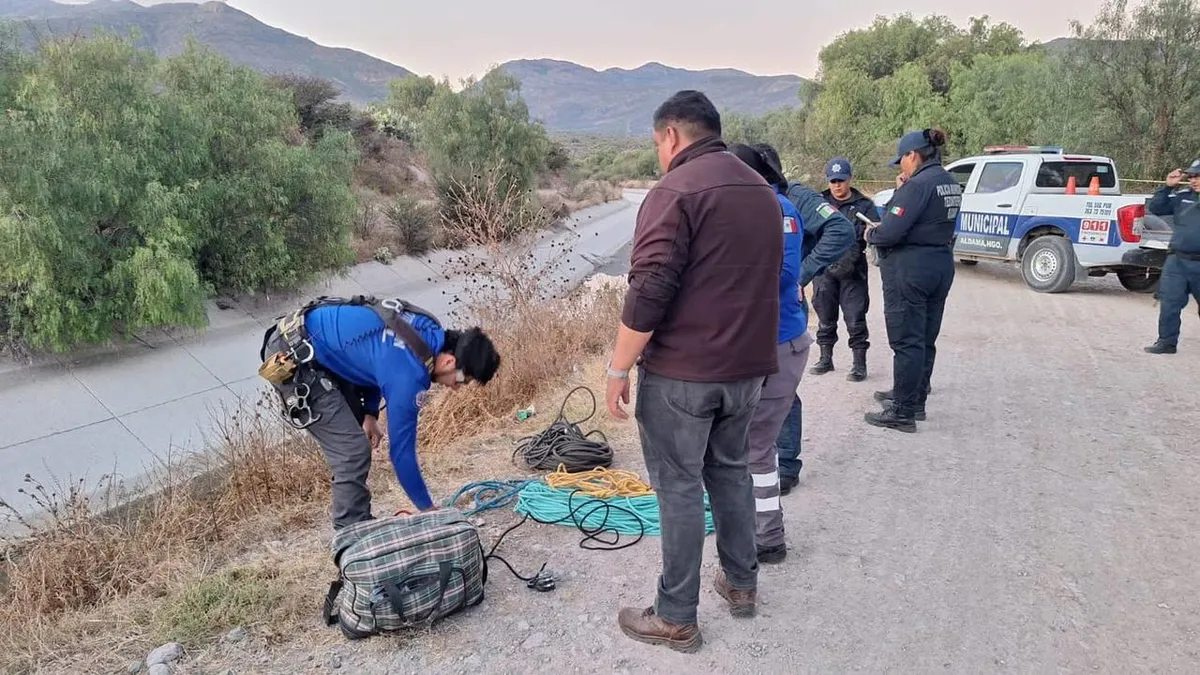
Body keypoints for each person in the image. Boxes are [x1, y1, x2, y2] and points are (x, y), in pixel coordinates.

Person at [604, 90, 782, 653]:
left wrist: (618, 367)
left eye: (658, 144)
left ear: (672, 136)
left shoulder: (674, 190)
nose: (659, 154)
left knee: (678, 488)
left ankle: (676, 616)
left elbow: (650, 288)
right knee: (730, 472)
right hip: (748, 370)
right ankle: (741, 583)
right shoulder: (763, 191)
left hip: (685, 374)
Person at [258, 295, 501, 528]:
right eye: (462, 380)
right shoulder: (409, 377)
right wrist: (427, 509)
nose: (457, 388)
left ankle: (359, 523)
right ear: (450, 362)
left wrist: (370, 413)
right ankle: (351, 535)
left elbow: (375, 359)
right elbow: (401, 453)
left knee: (355, 434)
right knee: (352, 451)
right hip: (293, 355)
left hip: (319, 346)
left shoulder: (426, 328)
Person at [728, 143, 852, 563]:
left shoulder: (779, 208)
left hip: (776, 345)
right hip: (770, 344)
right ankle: (760, 528)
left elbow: (780, 274)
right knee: (752, 443)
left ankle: (766, 537)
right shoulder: (760, 207)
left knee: (754, 446)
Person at [864, 128, 960, 433]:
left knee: (906, 339)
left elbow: (890, 230)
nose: (900, 166)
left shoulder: (917, 186)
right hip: (940, 263)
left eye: (901, 160)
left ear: (913, 155)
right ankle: (914, 399)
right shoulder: (949, 182)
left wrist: (871, 233)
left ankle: (902, 412)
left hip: (912, 269)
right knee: (925, 337)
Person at [809, 157, 879, 382]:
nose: (837, 185)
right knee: (825, 316)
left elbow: (876, 231)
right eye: (833, 181)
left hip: (853, 270)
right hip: (824, 269)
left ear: (850, 179)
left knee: (855, 319)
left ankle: (859, 365)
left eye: (841, 180)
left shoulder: (864, 205)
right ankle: (825, 359)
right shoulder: (818, 202)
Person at [1144, 159, 1200, 354]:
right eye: (1192, 176)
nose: (1194, 180)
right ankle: (1166, 342)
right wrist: (1167, 187)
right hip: (1177, 261)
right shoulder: (1182, 196)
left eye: (1198, 176)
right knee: (1169, 303)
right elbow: (1157, 208)